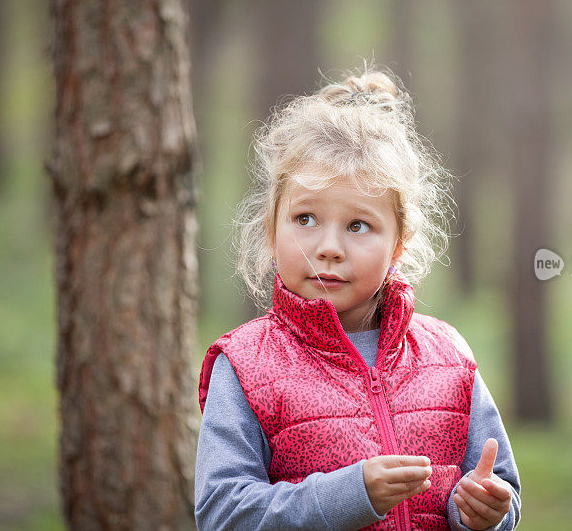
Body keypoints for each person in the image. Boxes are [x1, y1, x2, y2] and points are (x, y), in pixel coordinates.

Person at [194, 64, 521, 531]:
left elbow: (501, 488)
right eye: (305, 218)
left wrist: (485, 512)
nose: (329, 247)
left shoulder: (448, 357)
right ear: (271, 231)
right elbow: (222, 513)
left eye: (358, 225)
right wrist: (349, 495)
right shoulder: (246, 366)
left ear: (399, 245)